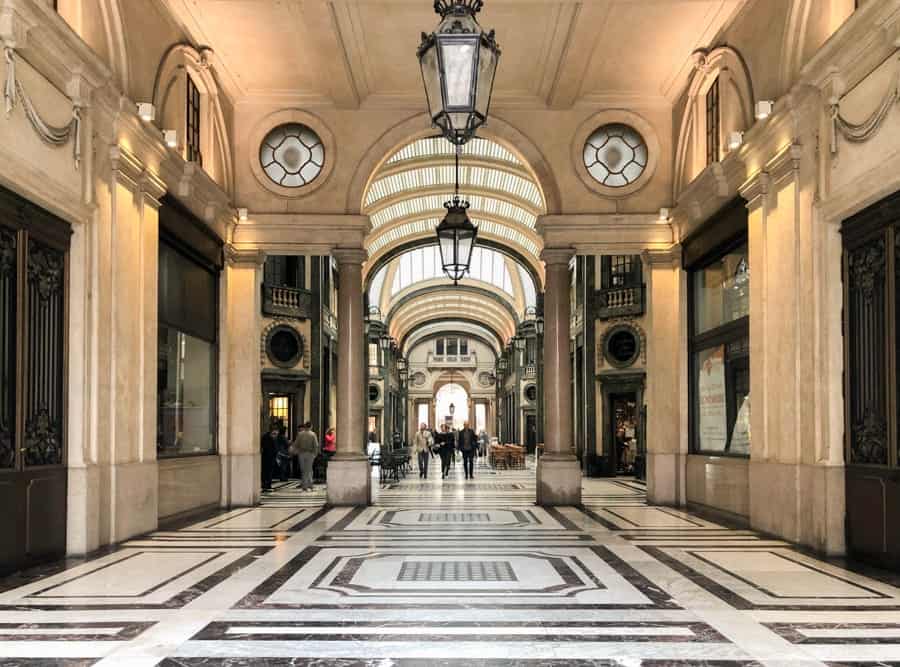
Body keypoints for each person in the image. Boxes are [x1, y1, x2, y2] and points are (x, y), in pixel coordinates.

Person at [292, 422, 319, 491]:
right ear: (311, 427)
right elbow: (316, 445)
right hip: (310, 454)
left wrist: (295, 451)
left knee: (303, 469)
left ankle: (306, 485)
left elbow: (296, 444)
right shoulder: (313, 434)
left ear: (305, 426)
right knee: (309, 469)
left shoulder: (300, 434)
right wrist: (315, 454)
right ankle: (309, 484)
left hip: (301, 454)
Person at [260, 424, 280, 492]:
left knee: (270, 472)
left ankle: (268, 485)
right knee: (266, 472)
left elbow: (276, 447)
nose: (276, 434)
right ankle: (265, 485)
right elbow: (265, 447)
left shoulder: (274, 437)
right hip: (267, 457)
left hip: (272, 457)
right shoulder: (266, 437)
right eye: (275, 432)